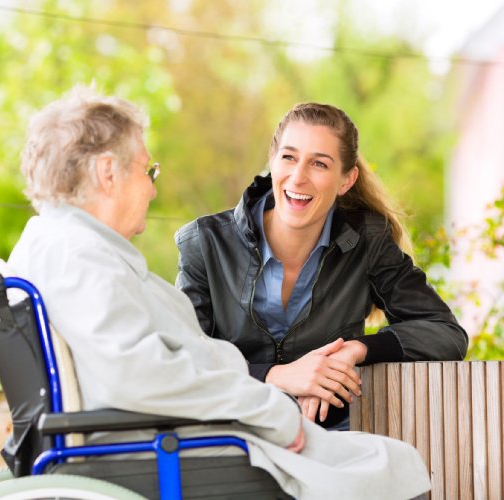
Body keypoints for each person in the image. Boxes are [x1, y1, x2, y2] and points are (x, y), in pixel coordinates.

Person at [6, 87, 430, 498]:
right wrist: (276, 413)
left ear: (345, 178)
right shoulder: (77, 257)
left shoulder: (68, 248)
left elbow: (156, 364)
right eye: (147, 170)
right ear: (107, 172)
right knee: (393, 465)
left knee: (382, 460)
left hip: (190, 435)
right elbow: (140, 377)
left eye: (320, 164)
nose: (153, 188)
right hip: (176, 448)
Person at [175, 102, 468, 430]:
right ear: (272, 161)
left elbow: (446, 333)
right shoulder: (206, 243)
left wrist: (354, 351)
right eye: (289, 157)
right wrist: (278, 376)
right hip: (231, 437)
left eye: (319, 164)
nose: (298, 177)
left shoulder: (366, 241)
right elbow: (183, 359)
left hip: (331, 440)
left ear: (346, 180)